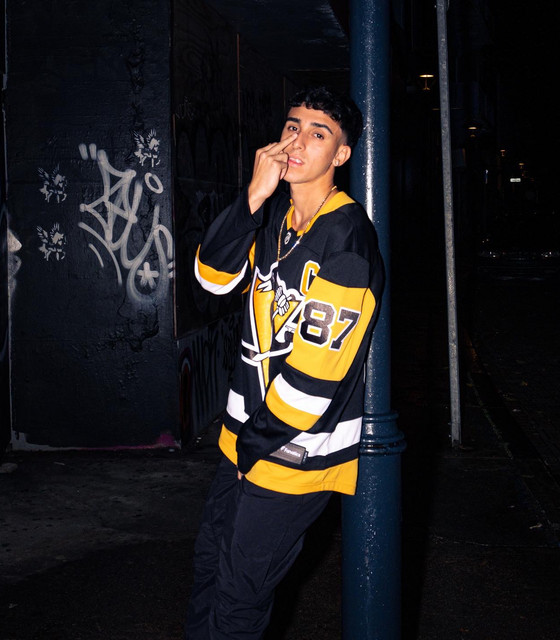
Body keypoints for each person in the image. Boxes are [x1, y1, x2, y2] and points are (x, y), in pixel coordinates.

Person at [185, 86, 384, 639]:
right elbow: (211, 282)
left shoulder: (346, 239)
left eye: (319, 134)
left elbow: (315, 381)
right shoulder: (275, 218)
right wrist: (252, 197)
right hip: (243, 440)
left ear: (341, 154)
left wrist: (253, 446)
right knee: (209, 569)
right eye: (293, 127)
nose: (298, 141)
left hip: (293, 453)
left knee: (239, 596)